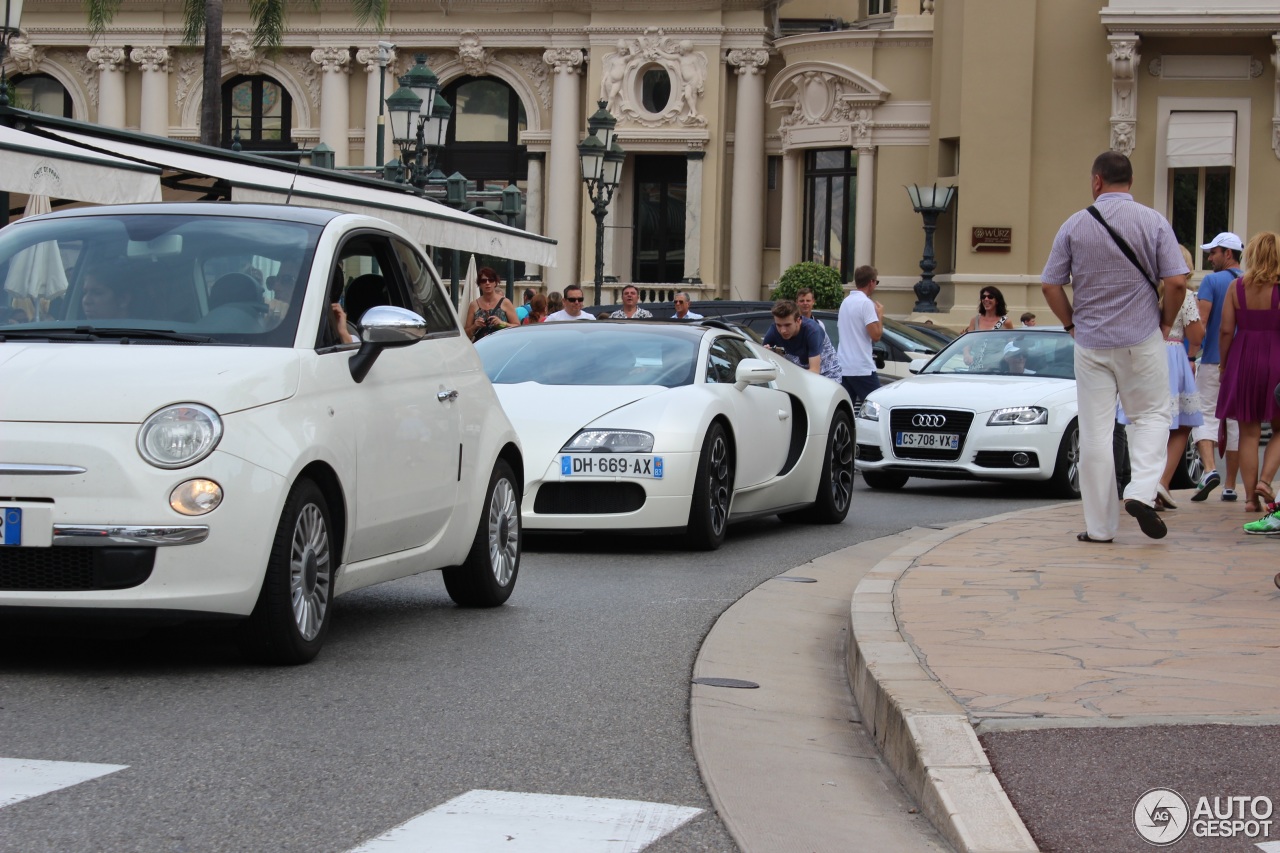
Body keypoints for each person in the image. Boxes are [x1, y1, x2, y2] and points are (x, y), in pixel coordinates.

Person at [1042, 150, 1189, 543]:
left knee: (1095, 433)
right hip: (1141, 339)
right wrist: (1165, 321)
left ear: (1096, 181)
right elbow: (1176, 282)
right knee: (1152, 417)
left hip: (1090, 343)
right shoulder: (1153, 221)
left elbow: (1050, 284)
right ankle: (1141, 491)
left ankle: (1100, 528)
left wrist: (1071, 322)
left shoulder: (1074, 225)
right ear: (1130, 182)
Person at [1117, 279, 1205, 511]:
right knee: (1180, 423)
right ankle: (1161, 482)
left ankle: (1143, 485)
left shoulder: (1141, 288)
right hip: (1172, 356)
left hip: (1141, 354)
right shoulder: (1184, 294)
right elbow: (1196, 336)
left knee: (1141, 422)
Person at [1215, 231, 1280, 530]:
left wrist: (1225, 364)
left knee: (1248, 431)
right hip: (1276, 358)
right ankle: (1266, 481)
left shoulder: (1236, 286)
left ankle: (1251, 499)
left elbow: (1226, 330)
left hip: (1243, 358)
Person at [1190, 231, 1244, 502]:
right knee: (1235, 422)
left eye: (1213, 252)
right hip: (1242, 364)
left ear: (1228, 254)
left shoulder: (1211, 281)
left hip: (1213, 359)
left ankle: (1210, 469)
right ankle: (1231, 485)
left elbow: (1202, 320)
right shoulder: (1250, 283)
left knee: (1204, 415)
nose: (1210, 257)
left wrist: (1190, 354)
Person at [837, 265, 883, 405]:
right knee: (877, 406)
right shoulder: (866, 303)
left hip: (844, 366)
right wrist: (880, 315)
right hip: (861, 367)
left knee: (846, 410)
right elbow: (876, 335)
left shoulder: (845, 302)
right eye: (876, 282)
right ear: (871, 282)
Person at [763, 299, 840, 381]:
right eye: (778, 325)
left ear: (798, 321)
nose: (783, 330)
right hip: (800, 371)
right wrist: (768, 353)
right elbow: (762, 362)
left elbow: (814, 371)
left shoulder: (813, 331)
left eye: (787, 325)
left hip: (828, 375)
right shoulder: (774, 330)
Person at [963, 286, 1014, 368]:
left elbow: (1011, 345)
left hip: (996, 369)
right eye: (983, 297)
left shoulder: (1005, 322)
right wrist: (966, 355)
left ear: (997, 301)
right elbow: (968, 342)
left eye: (990, 297)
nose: (986, 299)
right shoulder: (975, 320)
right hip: (976, 368)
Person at [465, 267, 519, 342]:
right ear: (479, 284)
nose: (487, 283)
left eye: (491, 280)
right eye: (483, 281)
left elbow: (517, 327)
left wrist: (502, 323)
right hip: (480, 347)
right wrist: (474, 326)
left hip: (502, 345)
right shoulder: (474, 305)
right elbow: (466, 334)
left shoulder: (505, 302)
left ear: (495, 283)